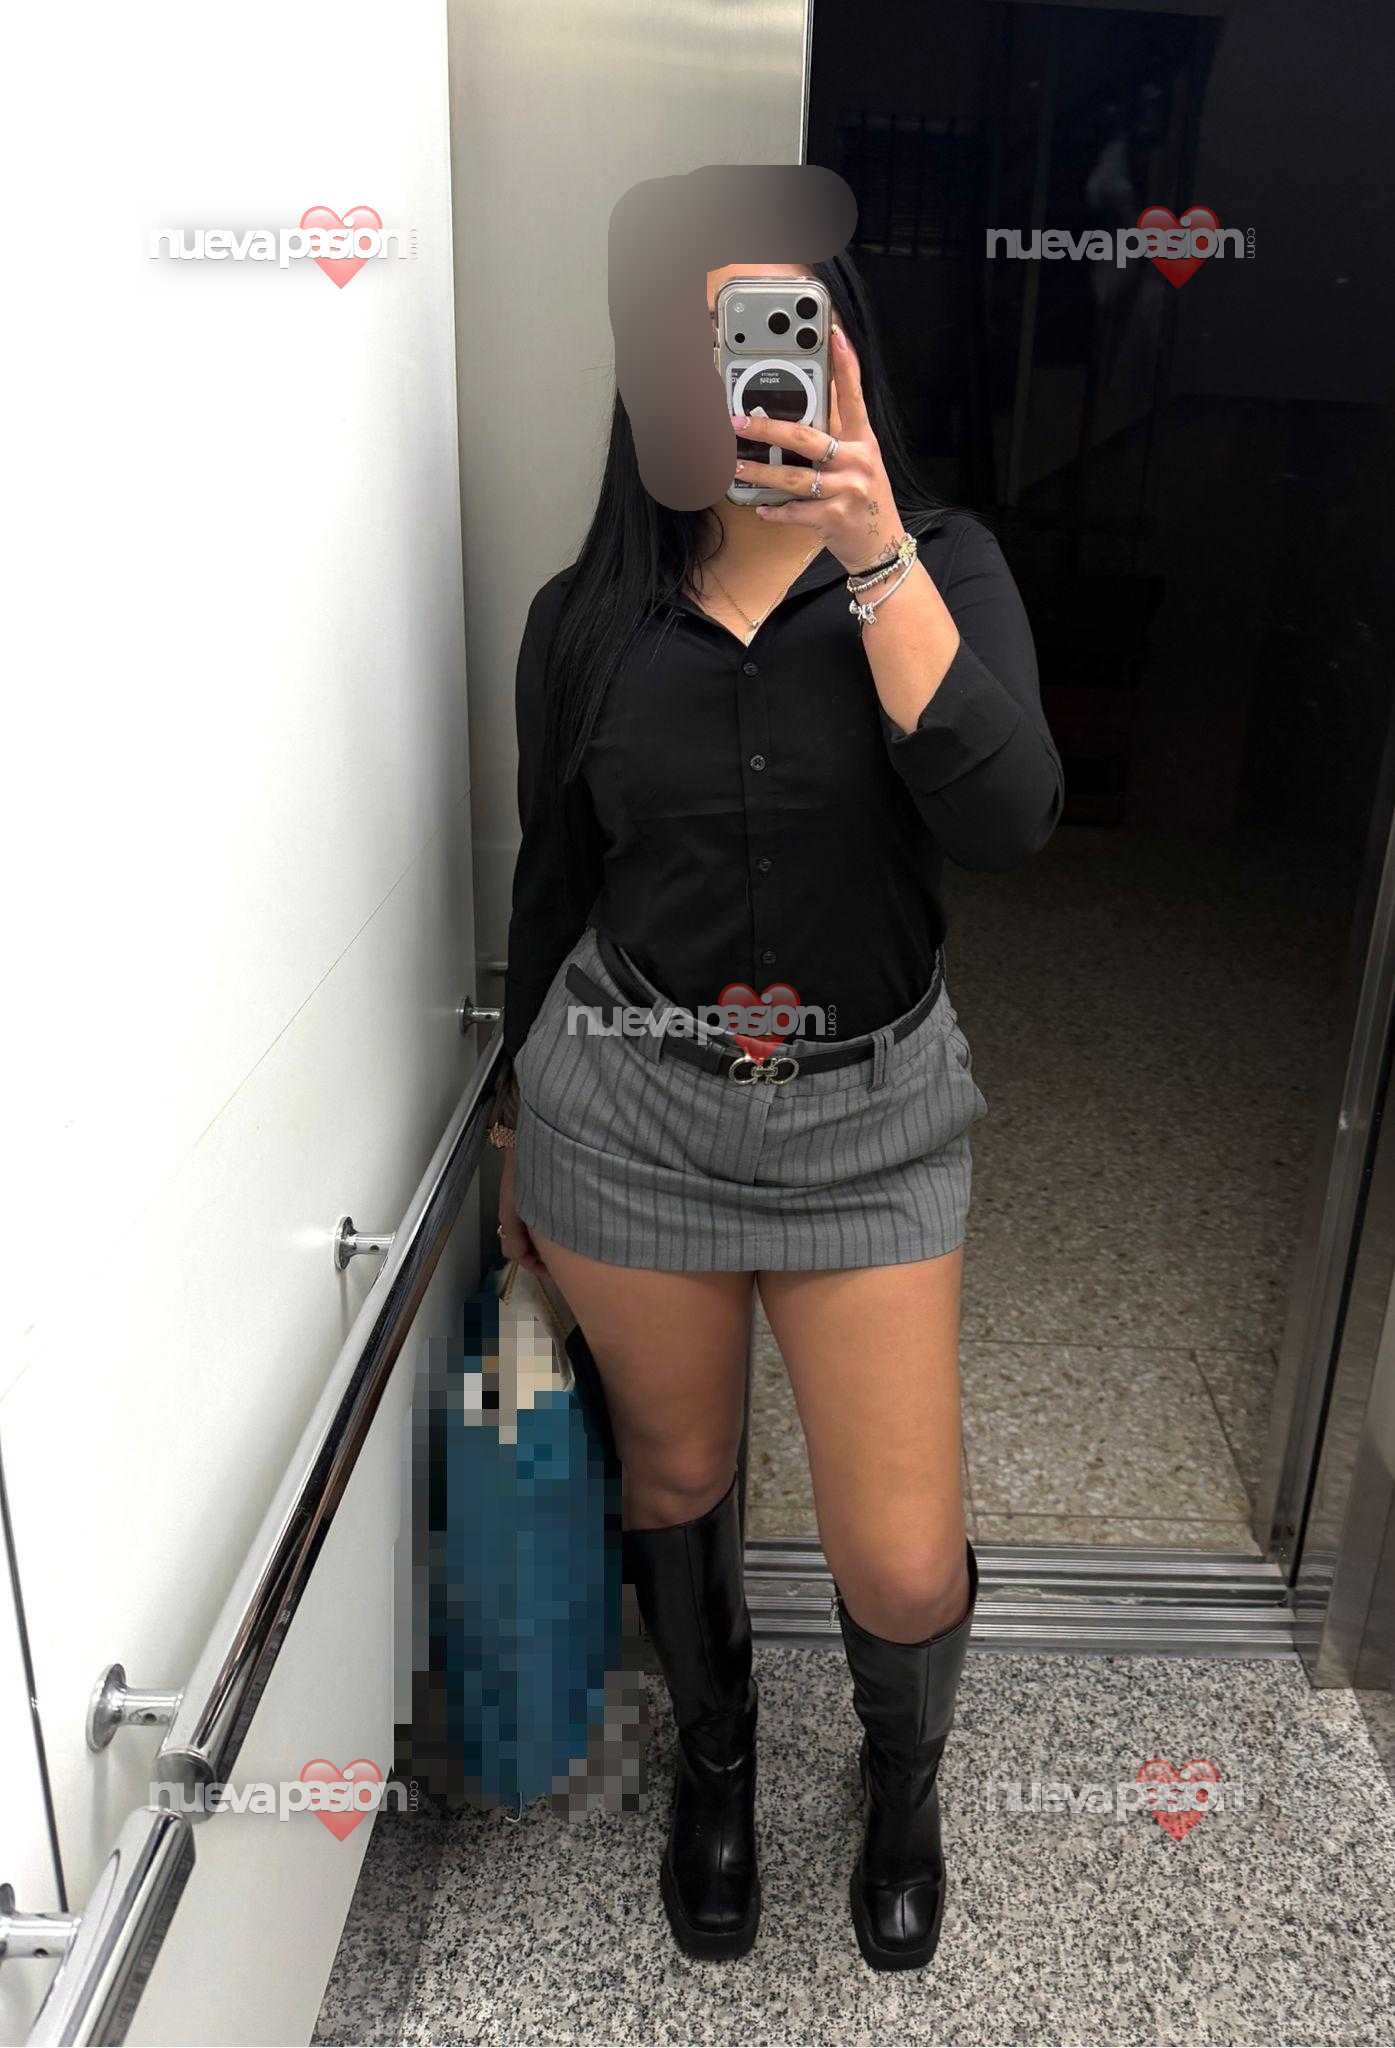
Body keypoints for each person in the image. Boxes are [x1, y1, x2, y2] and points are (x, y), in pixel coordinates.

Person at [489, 252, 1063, 1970]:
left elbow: (1011, 819)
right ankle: (717, 1769)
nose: (744, 382)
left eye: (779, 336)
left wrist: (871, 549)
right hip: (625, 1114)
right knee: (676, 1475)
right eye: (706, 348)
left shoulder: (940, 565)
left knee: (901, 1560)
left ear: (839, 356)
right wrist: (516, 1128)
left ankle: (903, 1786)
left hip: (866, 1128)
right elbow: (553, 882)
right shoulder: (584, 621)